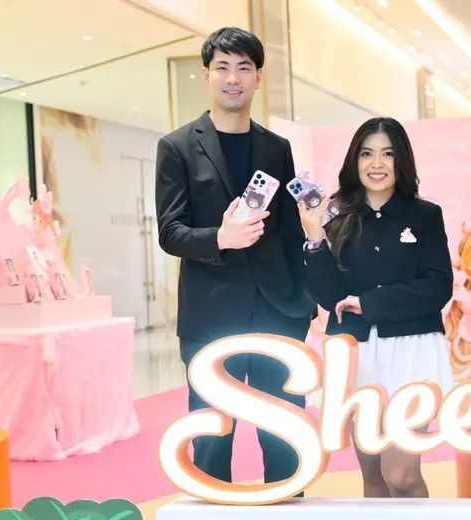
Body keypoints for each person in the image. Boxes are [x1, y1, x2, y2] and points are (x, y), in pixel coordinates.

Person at [154, 27, 315, 492]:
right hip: (211, 315)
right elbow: (170, 232)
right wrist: (221, 238)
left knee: (285, 434)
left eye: (244, 68)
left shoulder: (276, 148)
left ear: (258, 78)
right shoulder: (177, 147)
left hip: (278, 312)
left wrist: (306, 300)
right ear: (206, 75)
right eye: (222, 67)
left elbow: (288, 232)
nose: (233, 78)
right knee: (212, 436)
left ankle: (288, 507)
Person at [298, 117, 455, 498]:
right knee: (373, 476)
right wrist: (315, 239)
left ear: (402, 160)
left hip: (412, 351)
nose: (377, 163)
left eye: (387, 153)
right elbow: (329, 296)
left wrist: (369, 303)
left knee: (401, 474)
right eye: (367, 154)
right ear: (355, 161)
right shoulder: (335, 216)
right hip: (357, 354)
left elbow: (438, 287)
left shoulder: (425, 215)